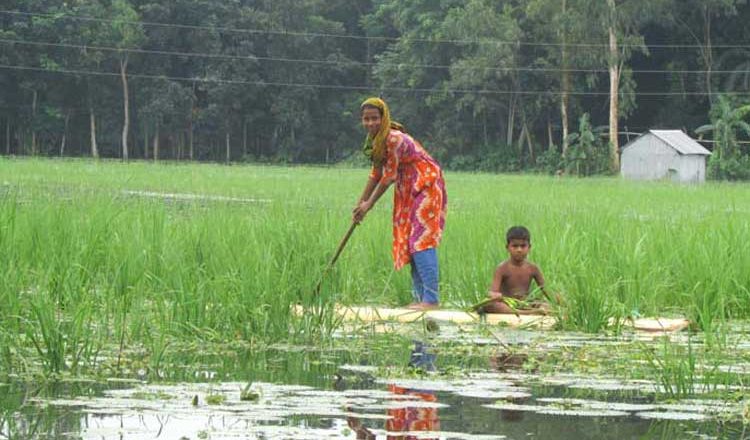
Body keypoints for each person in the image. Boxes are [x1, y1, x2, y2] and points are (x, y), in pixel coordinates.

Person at [352, 97, 447, 310]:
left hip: (426, 185)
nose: (370, 124)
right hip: (407, 189)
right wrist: (361, 204)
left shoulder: (393, 139)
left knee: (421, 240)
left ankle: (431, 300)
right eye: (366, 119)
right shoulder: (374, 142)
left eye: (374, 119)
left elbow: (389, 176)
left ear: (383, 118)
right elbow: (376, 172)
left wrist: (369, 205)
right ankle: (420, 297)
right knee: (409, 241)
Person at [478, 226, 552, 315]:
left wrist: (559, 301)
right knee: (490, 304)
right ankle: (526, 313)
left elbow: (547, 291)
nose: (519, 250)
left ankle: (532, 311)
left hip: (524, 304)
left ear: (529, 247)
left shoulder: (533, 268)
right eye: (515, 246)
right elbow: (493, 292)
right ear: (507, 247)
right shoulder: (502, 269)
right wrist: (494, 295)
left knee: (545, 304)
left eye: (523, 246)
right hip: (507, 305)